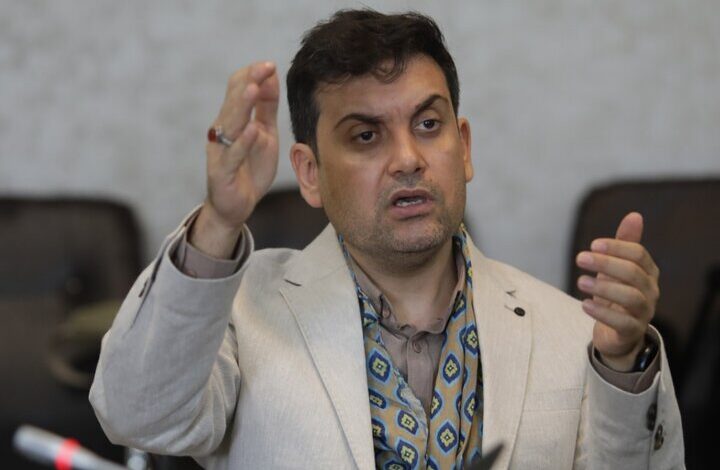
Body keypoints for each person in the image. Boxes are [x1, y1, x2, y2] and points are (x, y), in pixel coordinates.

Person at [90, 9, 684, 469]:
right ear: (310, 173)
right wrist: (219, 221)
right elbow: (141, 417)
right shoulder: (243, 317)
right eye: (366, 136)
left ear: (464, 147)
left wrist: (620, 366)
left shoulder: (573, 333)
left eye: (428, 124)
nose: (408, 159)